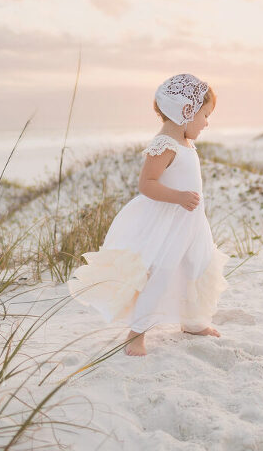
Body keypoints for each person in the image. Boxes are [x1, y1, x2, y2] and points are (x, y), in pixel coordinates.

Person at [67, 73, 229, 356]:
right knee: (162, 273)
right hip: (170, 223)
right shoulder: (164, 145)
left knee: (196, 267)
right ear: (185, 111)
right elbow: (147, 185)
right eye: (205, 115)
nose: (206, 123)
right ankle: (136, 333)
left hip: (192, 222)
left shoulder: (186, 143)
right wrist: (178, 197)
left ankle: (192, 322)